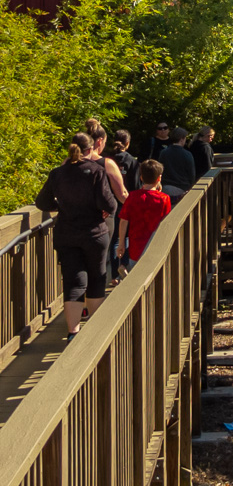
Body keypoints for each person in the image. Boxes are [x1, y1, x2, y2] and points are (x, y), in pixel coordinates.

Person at [34, 133, 117, 338]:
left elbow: (42, 203)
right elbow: (109, 204)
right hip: (94, 234)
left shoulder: (57, 174)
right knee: (97, 277)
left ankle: (73, 332)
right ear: (91, 150)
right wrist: (102, 209)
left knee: (73, 280)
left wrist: (60, 206)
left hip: (66, 233)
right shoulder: (96, 172)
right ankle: (96, 332)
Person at [116, 160, 172, 271]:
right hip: (155, 245)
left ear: (141, 177)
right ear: (159, 178)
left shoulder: (132, 197)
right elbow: (167, 222)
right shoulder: (164, 199)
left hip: (135, 247)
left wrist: (121, 242)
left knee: (135, 271)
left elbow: (123, 221)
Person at [104, 129, 138, 286]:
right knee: (126, 236)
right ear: (128, 143)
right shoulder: (132, 160)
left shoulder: (106, 160)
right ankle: (123, 266)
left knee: (113, 240)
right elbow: (136, 185)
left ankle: (113, 275)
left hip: (109, 204)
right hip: (127, 201)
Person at [158, 127, 196, 199]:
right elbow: (191, 174)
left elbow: (160, 170)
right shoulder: (187, 154)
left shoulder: (163, 152)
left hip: (165, 188)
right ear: (182, 139)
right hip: (181, 188)